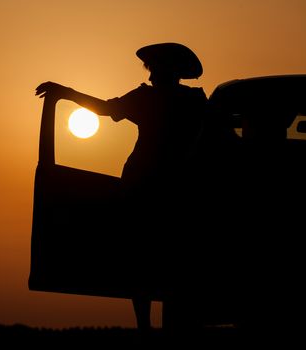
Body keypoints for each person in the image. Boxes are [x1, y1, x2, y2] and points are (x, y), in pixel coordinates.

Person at [35, 42, 207, 334]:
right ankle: (161, 326)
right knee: (163, 257)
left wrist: (66, 93)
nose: (151, 77)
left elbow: (104, 108)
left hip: (150, 187)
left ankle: (145, 327)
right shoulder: (193, 101)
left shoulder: (157, 99)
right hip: (169, 188)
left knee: (144, 258)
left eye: (154, 69)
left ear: (168, 71)